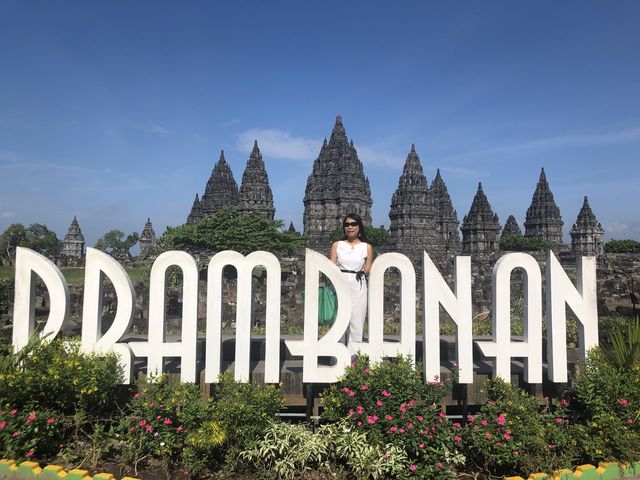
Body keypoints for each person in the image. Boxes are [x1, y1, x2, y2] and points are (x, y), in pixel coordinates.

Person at [330, 213, 373, 355]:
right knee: (338, 321)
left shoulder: (366, 247)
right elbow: (331, 267)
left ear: (359, 227)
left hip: (358, 285)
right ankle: (337, 357)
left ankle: (354, 359)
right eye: (347, 224)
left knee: (357, 321)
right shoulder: (337, 245)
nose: (350, 227)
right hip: (340, 284)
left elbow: (367, 271)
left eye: (353, 224)